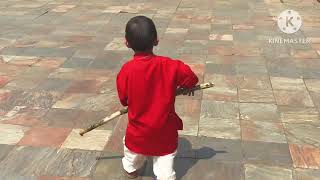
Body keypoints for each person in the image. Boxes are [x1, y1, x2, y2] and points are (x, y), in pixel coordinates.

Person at [116, 15, 198, 179]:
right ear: (156, 41)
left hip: (138, 133)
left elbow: (124, 99)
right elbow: (191, 77)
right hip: (164, 133)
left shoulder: (126, 70)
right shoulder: (170, 65)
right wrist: (187, 85)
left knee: (132, 153)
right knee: (164, 162)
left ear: (127, 43)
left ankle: (132, 169)